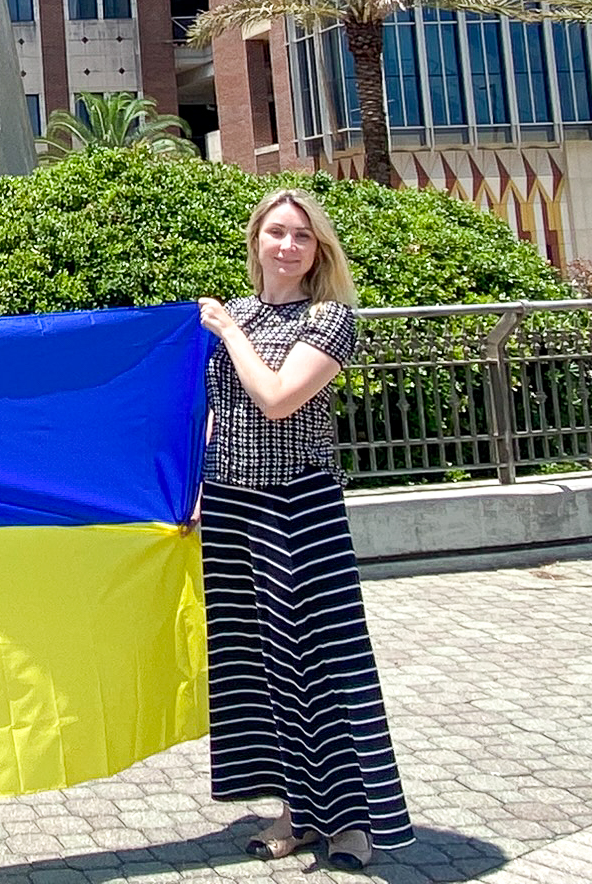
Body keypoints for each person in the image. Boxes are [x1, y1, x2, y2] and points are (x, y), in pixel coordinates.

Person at [194, 189, 413, 872]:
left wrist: (229, 334)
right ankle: (294, 812)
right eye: (276, 233)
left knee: (318, 660)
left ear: (319, 250)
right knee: (256, 665)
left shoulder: (330, 319)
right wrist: (199, 488)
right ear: (256, 238)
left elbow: (280, 399)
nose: (287, 247)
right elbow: (219, 406)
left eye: (302, 237)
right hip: (230, 505)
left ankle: (353, 821)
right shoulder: (244, 311)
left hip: (296, 506)